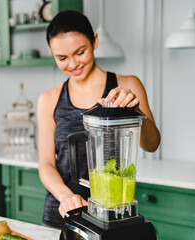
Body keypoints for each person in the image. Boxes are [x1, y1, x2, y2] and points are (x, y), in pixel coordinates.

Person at [37, 10, 161, 228]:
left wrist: (136, 111)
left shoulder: (128, 86)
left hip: (113, 215)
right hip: (64, 214)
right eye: (62, 58)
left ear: (94, 42)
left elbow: (151, 145)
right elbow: (46, 164)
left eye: (80, 52)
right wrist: (67, 198)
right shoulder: (49, 99)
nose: (73, 64)